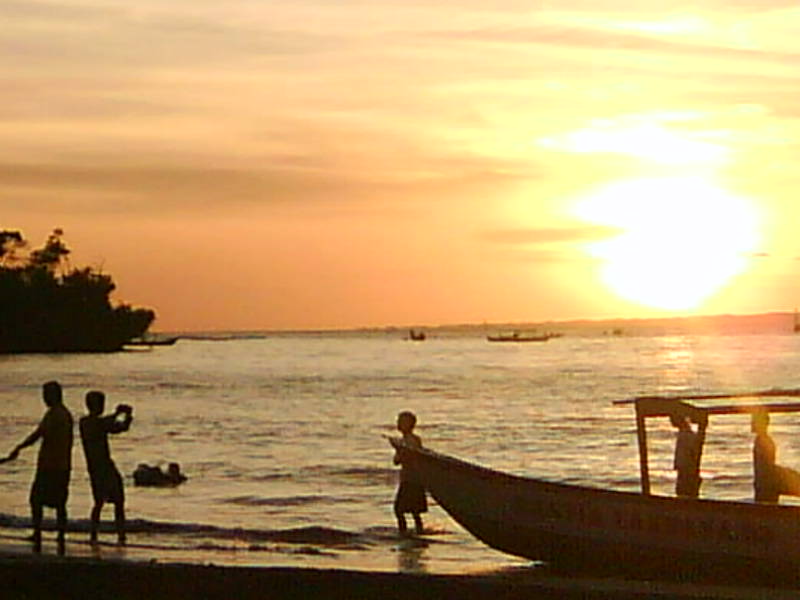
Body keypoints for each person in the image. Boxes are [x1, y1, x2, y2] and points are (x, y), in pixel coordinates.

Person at [4, 381, 74, 554]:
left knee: (37, 500)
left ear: (54, 395)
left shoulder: (57, 415)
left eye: (46, 394)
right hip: (60, 465)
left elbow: (39, 434)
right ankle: (58, 534)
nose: (44, 398)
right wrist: (20, 448)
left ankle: (41, 533)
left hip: (52, 465)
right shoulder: (60, 414)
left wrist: (19, 448)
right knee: (58, 502)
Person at [79, 391, 133, 544]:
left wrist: (125, 416)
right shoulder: (88, 422)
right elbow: (109, 425)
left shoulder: (89, 423)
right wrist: (119, 413)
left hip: (97, 467)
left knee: (105, 502)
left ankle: (100, 535)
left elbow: (120, 427)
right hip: (102, 467)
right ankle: (113, 535)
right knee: (112, 501)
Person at [392, 410, 427, 535]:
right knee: (414, 511)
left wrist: (398, 449)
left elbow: (405, 457)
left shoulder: (410, 440)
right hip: (412, 479)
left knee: (399, 510)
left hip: (411, 480)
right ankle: (417, 531)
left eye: (401, 422)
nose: (398, 424)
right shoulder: (409, 440)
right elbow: (396, 461)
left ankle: (404, 532)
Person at [670, 413, 702, 498]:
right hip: (684, 466)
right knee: (683, 491)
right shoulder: (685, 433)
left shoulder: (687, 434)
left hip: (686, 467)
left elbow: (688, 452)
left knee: (684, 491)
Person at [752, 409, 780, 503]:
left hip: (765, 485)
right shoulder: (761, 440)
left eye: (754, 421)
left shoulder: (763, 441)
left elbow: (766, 468)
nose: (751, 424)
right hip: (763, 484)